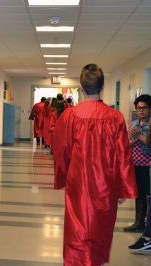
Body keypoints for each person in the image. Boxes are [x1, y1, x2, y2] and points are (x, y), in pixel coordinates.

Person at [52, 63, 137, 266]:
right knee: (101, 227)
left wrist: (64, 175)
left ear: (81, 87)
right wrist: (122, 189)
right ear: (102, 87)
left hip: (78, 183)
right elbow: (123, 155)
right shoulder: (115, 117)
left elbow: (60, 150)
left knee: (77, 227)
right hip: (105, 185)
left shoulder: (70, 116)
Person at [124, 94, 151, 232]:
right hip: (136, 164)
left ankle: (145, 224)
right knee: (139, 194)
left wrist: (138, 135)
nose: (141, 111)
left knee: (147, 194)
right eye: (139, 108)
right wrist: (135, 137)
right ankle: (139, 222)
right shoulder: (134, 123)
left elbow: (149, 142)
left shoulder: (150, 124)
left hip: (148, 166)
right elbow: (128, 143)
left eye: (144, 108)